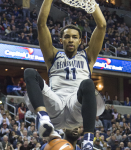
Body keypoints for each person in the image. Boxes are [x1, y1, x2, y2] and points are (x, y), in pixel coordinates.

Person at [24, 0, 106, 149]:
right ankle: (43, 119)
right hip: (56, 104)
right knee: (29, 73)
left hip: (76, 107)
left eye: (74, 37)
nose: (70, 40)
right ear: (61, 40)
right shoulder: (52, 55)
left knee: (88, 84)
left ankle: (87, 140)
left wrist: (93, 4)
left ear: (80, 41)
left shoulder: (88, 56)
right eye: (67, 37)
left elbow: (102, 26)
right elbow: (41, 24)